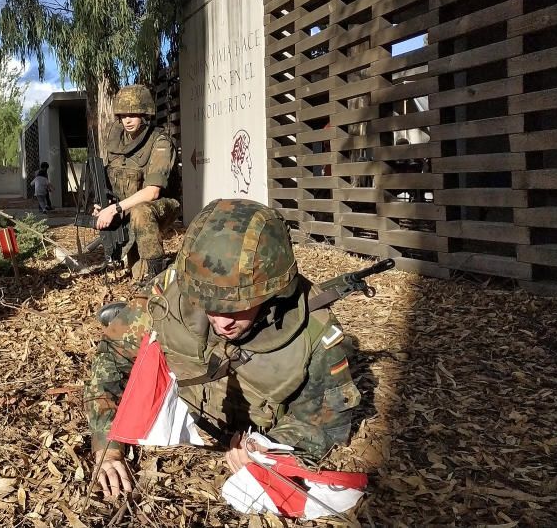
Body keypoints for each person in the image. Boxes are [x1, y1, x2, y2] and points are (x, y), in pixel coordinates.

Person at [85, 199, 362, 498]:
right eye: (208, 304)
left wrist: (268, 448)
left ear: (274, 293)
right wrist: (108, 445)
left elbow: (323, 426)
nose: (221, 321)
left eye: (236, 307)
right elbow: (113, 357)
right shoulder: (171, 290)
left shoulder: (315, 334)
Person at [92, 84, 180, 283]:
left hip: (160, 207)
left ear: (145, 114)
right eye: (123, 115)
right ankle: (146, 268)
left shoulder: (160, 142)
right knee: (136, 271)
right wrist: (102, 206)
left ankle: (157, 276)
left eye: (133, 114)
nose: (128, 120)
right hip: (128, 209)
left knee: (142, 211)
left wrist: (114, 209)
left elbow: (152, 193)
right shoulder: (116, 142)